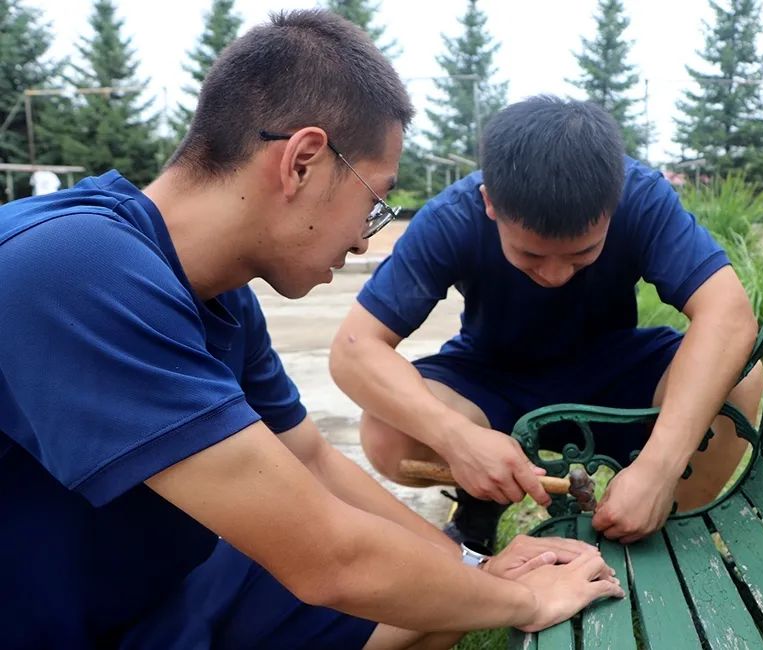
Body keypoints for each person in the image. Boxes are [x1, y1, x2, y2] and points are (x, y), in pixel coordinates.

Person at [0, 13, 622, 650]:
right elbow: (329, 558)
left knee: (437, 601)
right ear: (302, 162)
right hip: (60, 626)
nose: (362, 238)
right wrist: (522, 599)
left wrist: (470, 568)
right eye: (373, 202)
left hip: (164, 589)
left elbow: (311, 459)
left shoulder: (220, 295)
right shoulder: (70, 268)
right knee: (414, 594)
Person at [330, 96, 763, 552]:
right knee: (388, 433)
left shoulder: (641, 196)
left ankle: (667, 525)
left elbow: (729, 317)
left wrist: (660, 467)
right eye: (530, 254)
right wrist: (456, 438)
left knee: (739, 381)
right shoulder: (452, 217)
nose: (555, 275)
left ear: (613, 206)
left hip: (615, 369)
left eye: (582, 254)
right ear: (490, 204)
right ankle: (480, 505)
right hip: (492, 376)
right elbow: (355, 349)